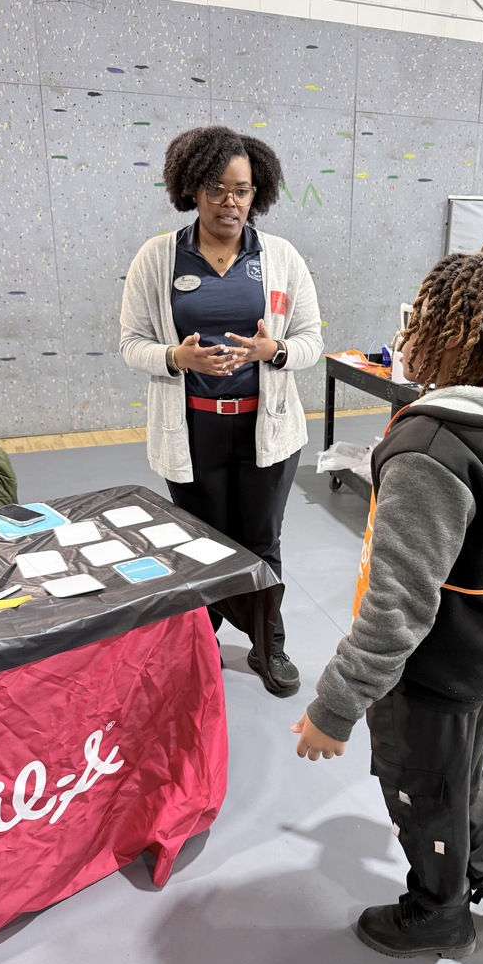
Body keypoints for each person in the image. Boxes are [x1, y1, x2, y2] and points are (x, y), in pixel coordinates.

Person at [292, 252, 483, 961]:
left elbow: (397, 609)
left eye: (421, 318)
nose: (409, 330)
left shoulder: (430, 450)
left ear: (447, 334)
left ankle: (438, 912)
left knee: (421, 789)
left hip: (428, 664)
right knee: (461, 770)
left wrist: (335, 707)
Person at [120, 124, 323, 697]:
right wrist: (175, 358)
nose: (229, 202)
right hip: (192, 427)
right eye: (216, 188)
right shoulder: (158, 258)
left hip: (267, 428)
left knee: (262, 539)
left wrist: (272, 351)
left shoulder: (280, 258)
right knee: (200, 544)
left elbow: (310, 340)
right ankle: (199, 645)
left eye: (242, 189)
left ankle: (267, 643)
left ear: (257, 193)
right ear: (192, 189)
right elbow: (131, 343)